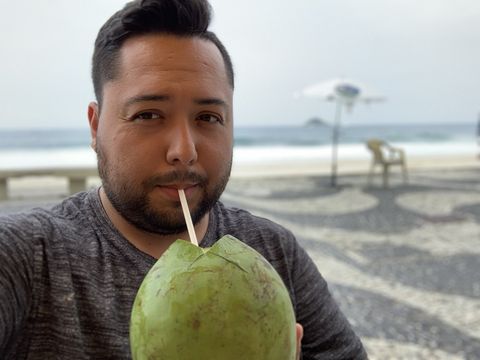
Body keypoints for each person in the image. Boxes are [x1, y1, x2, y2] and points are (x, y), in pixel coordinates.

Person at [0, 0, 367, 359]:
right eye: (148, 115)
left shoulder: (272, 252)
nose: (184, 150)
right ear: (96, 126)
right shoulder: (28, 257)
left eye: (208, 117)